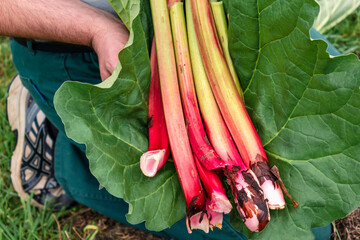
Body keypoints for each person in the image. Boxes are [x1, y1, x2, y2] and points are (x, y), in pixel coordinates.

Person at [1, 0, 333, 239]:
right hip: (83, 38)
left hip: (217, 16)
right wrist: (96, 29)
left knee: (328, 167)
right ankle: (59, 148)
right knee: (305, 234)